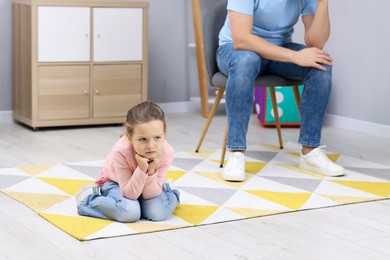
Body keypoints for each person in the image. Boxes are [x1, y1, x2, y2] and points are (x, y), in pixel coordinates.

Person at [217, 0, 346, 181]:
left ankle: (310, 151)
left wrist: (322, 2)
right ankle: (236, 152)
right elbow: (241, 39)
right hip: (236, 50)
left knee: (320, 63)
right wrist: (294, 56)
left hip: (278, 50)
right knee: (247, 60)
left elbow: (315, 42)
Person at [76, 101, 180, 222]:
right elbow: (129, 194)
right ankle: (89, 198)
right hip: (116, 183)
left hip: (148, 184)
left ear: (164, 134)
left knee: (158, 213)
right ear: (130, 138)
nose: (151, 146)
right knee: (130, 212)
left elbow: (149, 195)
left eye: (157, 137)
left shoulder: (166, 152)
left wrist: (151, 171)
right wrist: (141, 169)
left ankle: (170, 191)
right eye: (142, 139)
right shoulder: (121, 151)